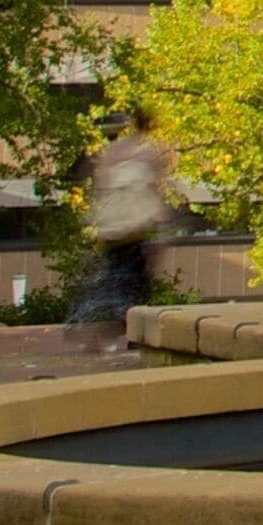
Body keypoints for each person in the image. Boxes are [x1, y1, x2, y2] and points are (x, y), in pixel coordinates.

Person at [66, 107, 175, 348]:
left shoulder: (113, 151)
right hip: (136, 226)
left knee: (112, 274)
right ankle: (126, 328)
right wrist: (162, 228)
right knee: (135, 281)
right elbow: (156, 191)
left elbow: (99, 183)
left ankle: (96, 322)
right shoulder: (150, 154)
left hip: (112, 226)